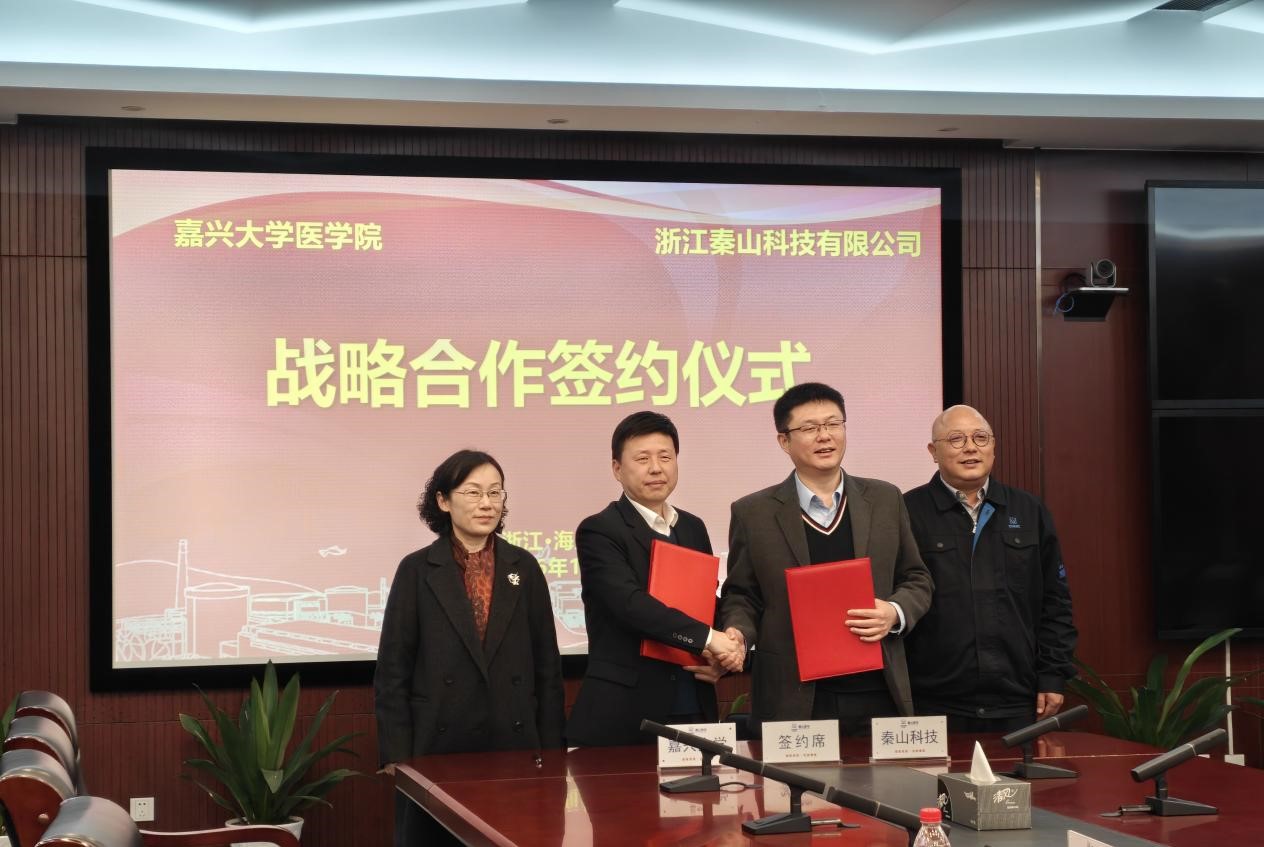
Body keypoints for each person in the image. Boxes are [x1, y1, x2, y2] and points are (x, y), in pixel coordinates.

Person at [718, 382, 933, 735]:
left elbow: (917, 578)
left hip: (878, 687)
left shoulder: (885, 499)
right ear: (784, 441)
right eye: (809, 428)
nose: (825, 436)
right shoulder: (753, 513)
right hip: (794, 693)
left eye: (834, 424)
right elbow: (743, 594)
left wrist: (894, 612)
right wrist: (738, 633)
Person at [375, 449, 565, 845]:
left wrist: (552, 752)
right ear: (443, 501)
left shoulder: (524, 567)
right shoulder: (417, 570)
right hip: (436, 748)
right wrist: (397, 754)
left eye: (495, 492)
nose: (487, 503)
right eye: (473, 492)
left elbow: (547, 668)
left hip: (513, 745)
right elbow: (393, 670)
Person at [566, 411, 745, 747]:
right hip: (627, 711)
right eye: (642, 459)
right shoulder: (600, 530)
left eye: (665, 457)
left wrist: (729, 647)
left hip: (694, 700)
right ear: (617, 469)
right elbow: (630, 605)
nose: (656, 468)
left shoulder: (692, 527)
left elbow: (704, 601)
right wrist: (709, 639)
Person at [903, 405, 1077, 733]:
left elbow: (1056, 603)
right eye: (956, 439)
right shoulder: (906, 512)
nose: (971, 447)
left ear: (993, 447)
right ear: (933, 452)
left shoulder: (1029, 510)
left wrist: (1053, 675)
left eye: (980, 438)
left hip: (1018, 699)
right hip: (932, 701)